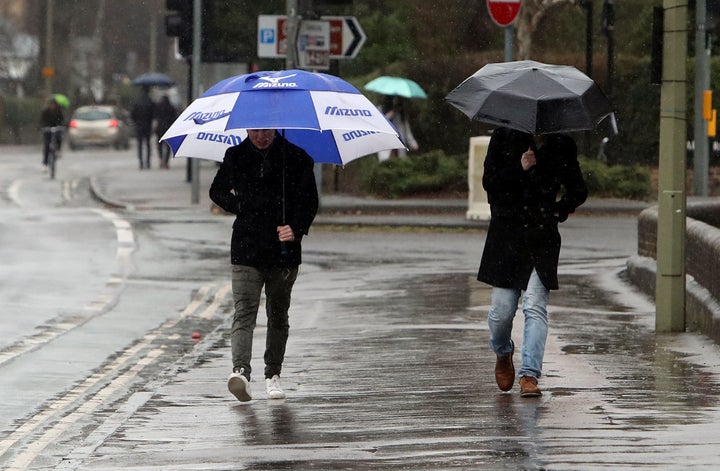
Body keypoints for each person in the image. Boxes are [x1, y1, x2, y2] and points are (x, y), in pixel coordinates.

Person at [209, 129, 319, 402]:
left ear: (275, 128)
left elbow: (310, 201)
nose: (260, 136)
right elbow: (217, 191)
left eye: (265, 131)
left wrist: (295, 228)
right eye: (255, 131)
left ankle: (273, 375)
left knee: (278, 314)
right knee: (244, 311)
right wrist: (240, 205)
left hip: (284, 251)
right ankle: (241, 372)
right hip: (246, 247)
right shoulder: (235, 155)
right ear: (246, 130)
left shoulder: (296, 157)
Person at [478, 126, 587, 397]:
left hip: (542, 237)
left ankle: (529, 374)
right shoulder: (503, 136)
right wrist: (520, 167)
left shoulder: (561, 143)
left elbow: (578, 190)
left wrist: (557, 211)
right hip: (506, 237)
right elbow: (490, 185)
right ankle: (503, 353)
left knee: (535, 306)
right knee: (501, 313)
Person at [378, 96, 419, 161]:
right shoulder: (380, 110)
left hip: (398, 150)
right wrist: (388, 116)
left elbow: (407, 131)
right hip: (386, 147)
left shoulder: (400, 115)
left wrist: (413, 144)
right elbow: (378, 125)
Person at [131, 86, 155, 169]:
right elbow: (153, 114)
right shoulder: (150, 101)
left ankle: (141, 163)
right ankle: (148, 162)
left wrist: (136, 121)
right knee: (148, 144)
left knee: (140, 145)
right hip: (147, 125)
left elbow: (133, 115)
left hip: (139, 125)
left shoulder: (137, 102)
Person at [40, 97, 65, 169]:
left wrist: (61, 126)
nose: (52, 105)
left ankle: (58, 150)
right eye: (51, 104)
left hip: (56, 128)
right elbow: (42, 121)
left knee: (59, 137)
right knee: (47, 145)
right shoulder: (45, 112)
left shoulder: (59, 111)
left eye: (53, 104)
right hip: (48, 129)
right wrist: (42, 127)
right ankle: (45, 163)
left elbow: (62, 120)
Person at [154, 95, 178, 169]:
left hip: (160, 128)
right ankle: (166, 162)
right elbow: (175, 118)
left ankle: (161, 160)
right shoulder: (171, 107)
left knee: (160, 146)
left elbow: (155, 116)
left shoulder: (158, 107)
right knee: (168, 147)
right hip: (168, 129)